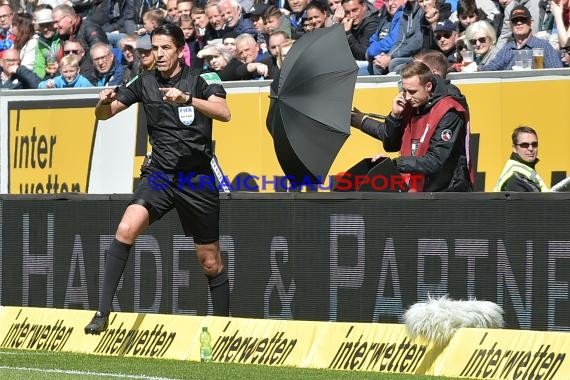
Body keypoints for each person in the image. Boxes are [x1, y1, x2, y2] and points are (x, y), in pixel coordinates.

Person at [84, 23, 231, 335]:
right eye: (156, 48)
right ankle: (102, 313)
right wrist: (102, 101)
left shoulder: (202, 78)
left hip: (196, 178)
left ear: (180, 51)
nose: (159, 54)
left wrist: (188, 100)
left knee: (210, 262)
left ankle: (223, 329)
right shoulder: (144, 80)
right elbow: (105, 114)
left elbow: (224, 112)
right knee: (126, 228)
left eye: (166, 48)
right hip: (160, 175)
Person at [350, 61, 472, 191]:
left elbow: (435, 160)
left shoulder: (449, 110)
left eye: (412, 91)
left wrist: (395, 163)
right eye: (404, 90)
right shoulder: (413, 104)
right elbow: (391, 145)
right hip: (417, 188)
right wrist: (394, 116)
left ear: (428, 86)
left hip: (446, 192)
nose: (407, 97)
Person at [481, 5, 563, 70]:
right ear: (510, 25)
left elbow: (558, 72)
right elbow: (491, 68)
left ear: (531, 23)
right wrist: (476, 68)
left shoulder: (543, 46)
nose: (519, 23)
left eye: (523, 20)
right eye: (515, 20)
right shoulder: (507, 48)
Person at [494, 126, 548, 191]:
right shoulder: (516, 177)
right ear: (514, 148)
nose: (530, 149)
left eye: (534, 144)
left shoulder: (524, 171)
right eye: (525, 145)